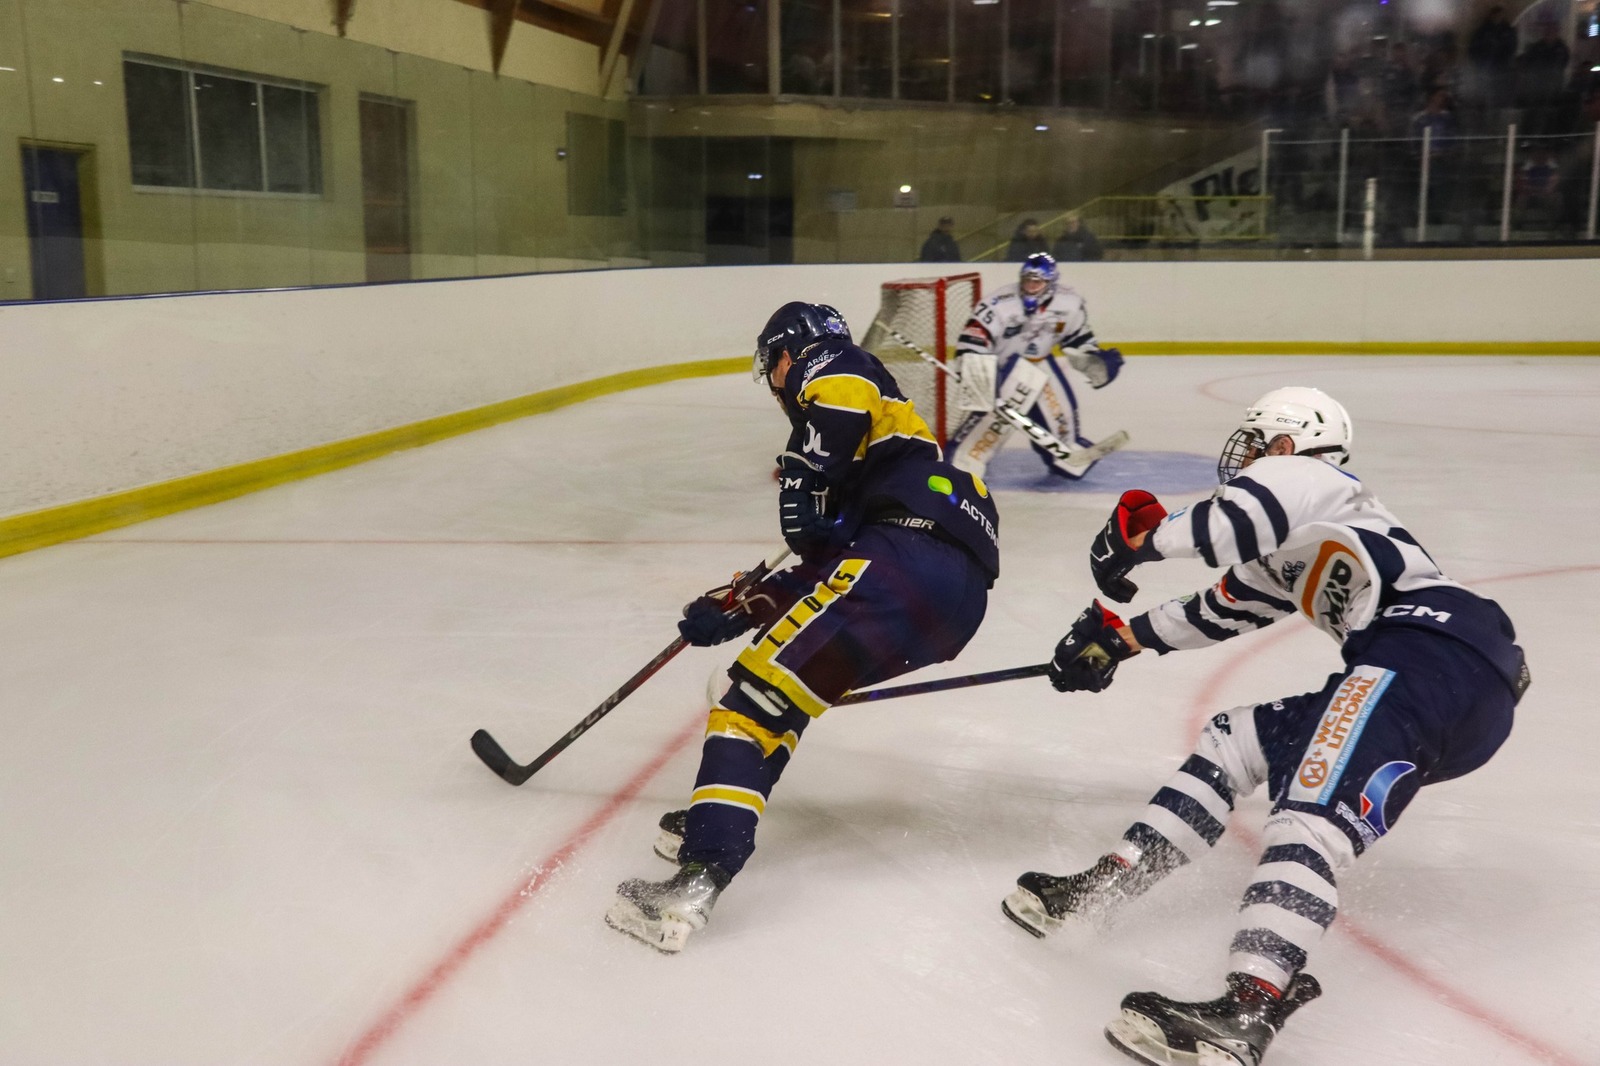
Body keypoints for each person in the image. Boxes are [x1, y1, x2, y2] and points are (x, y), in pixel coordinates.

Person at [1002, 387, 1529, 1066]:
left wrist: (1140, 540)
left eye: (1257, 443)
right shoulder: (1293, 537)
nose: (1247, 457)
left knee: (1308, 820)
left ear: (1285, 444)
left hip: (1425, 659)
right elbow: (1219, 609)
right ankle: (1108, 884)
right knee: (1235, 741)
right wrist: (1121, 641)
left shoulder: (1308, 477)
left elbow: (1227, 523)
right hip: (1440, 678)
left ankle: (1249, 1007)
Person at [605, 301, 1001, 953]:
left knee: (746, 707)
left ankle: (694, 885)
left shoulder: (837, 366)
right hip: (951, 602)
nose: (774, 385)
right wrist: (744, 605)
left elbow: (843, 387)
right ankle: (717, 819)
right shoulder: (890, 449)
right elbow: (828, 572)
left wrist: (804, 474)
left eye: (773, 368)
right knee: (782, 699)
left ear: (788, 354)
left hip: (899, 566)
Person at [944, 252, 1125, 479]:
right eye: (1027, 280)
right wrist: (979, 377)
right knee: (987, 431)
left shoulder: (1068, 304)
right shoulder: (998, 304)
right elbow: (973, 340)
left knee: (1063, 430)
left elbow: (1079, 339)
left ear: (1051, 284)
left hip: (1040, 366)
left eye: (1037, 282)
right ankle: (962, 463)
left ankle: (1064, 453)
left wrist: (1092, 360)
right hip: (1002, 372)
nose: (1030, 286)